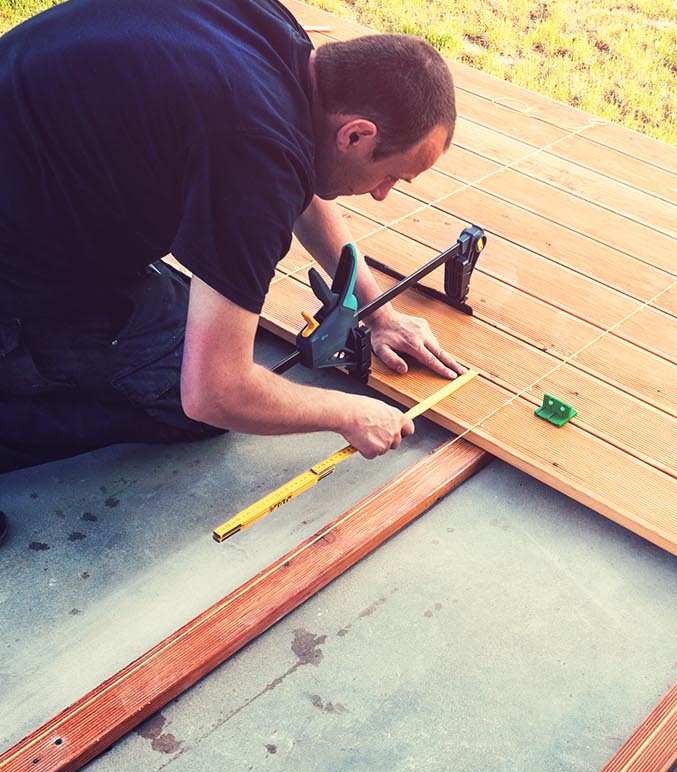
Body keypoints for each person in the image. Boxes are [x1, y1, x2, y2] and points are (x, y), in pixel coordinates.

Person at [0, 0, 465, 488]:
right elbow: (214, 392)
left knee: (190, 329)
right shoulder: (252, 150)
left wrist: (378, 311)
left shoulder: (275, 38)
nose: (380, 193)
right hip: (20, 264)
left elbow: (297, 168)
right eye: (390, 174)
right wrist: (348, 412)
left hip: (32, 180)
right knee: (195, 405)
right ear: (354, 134)